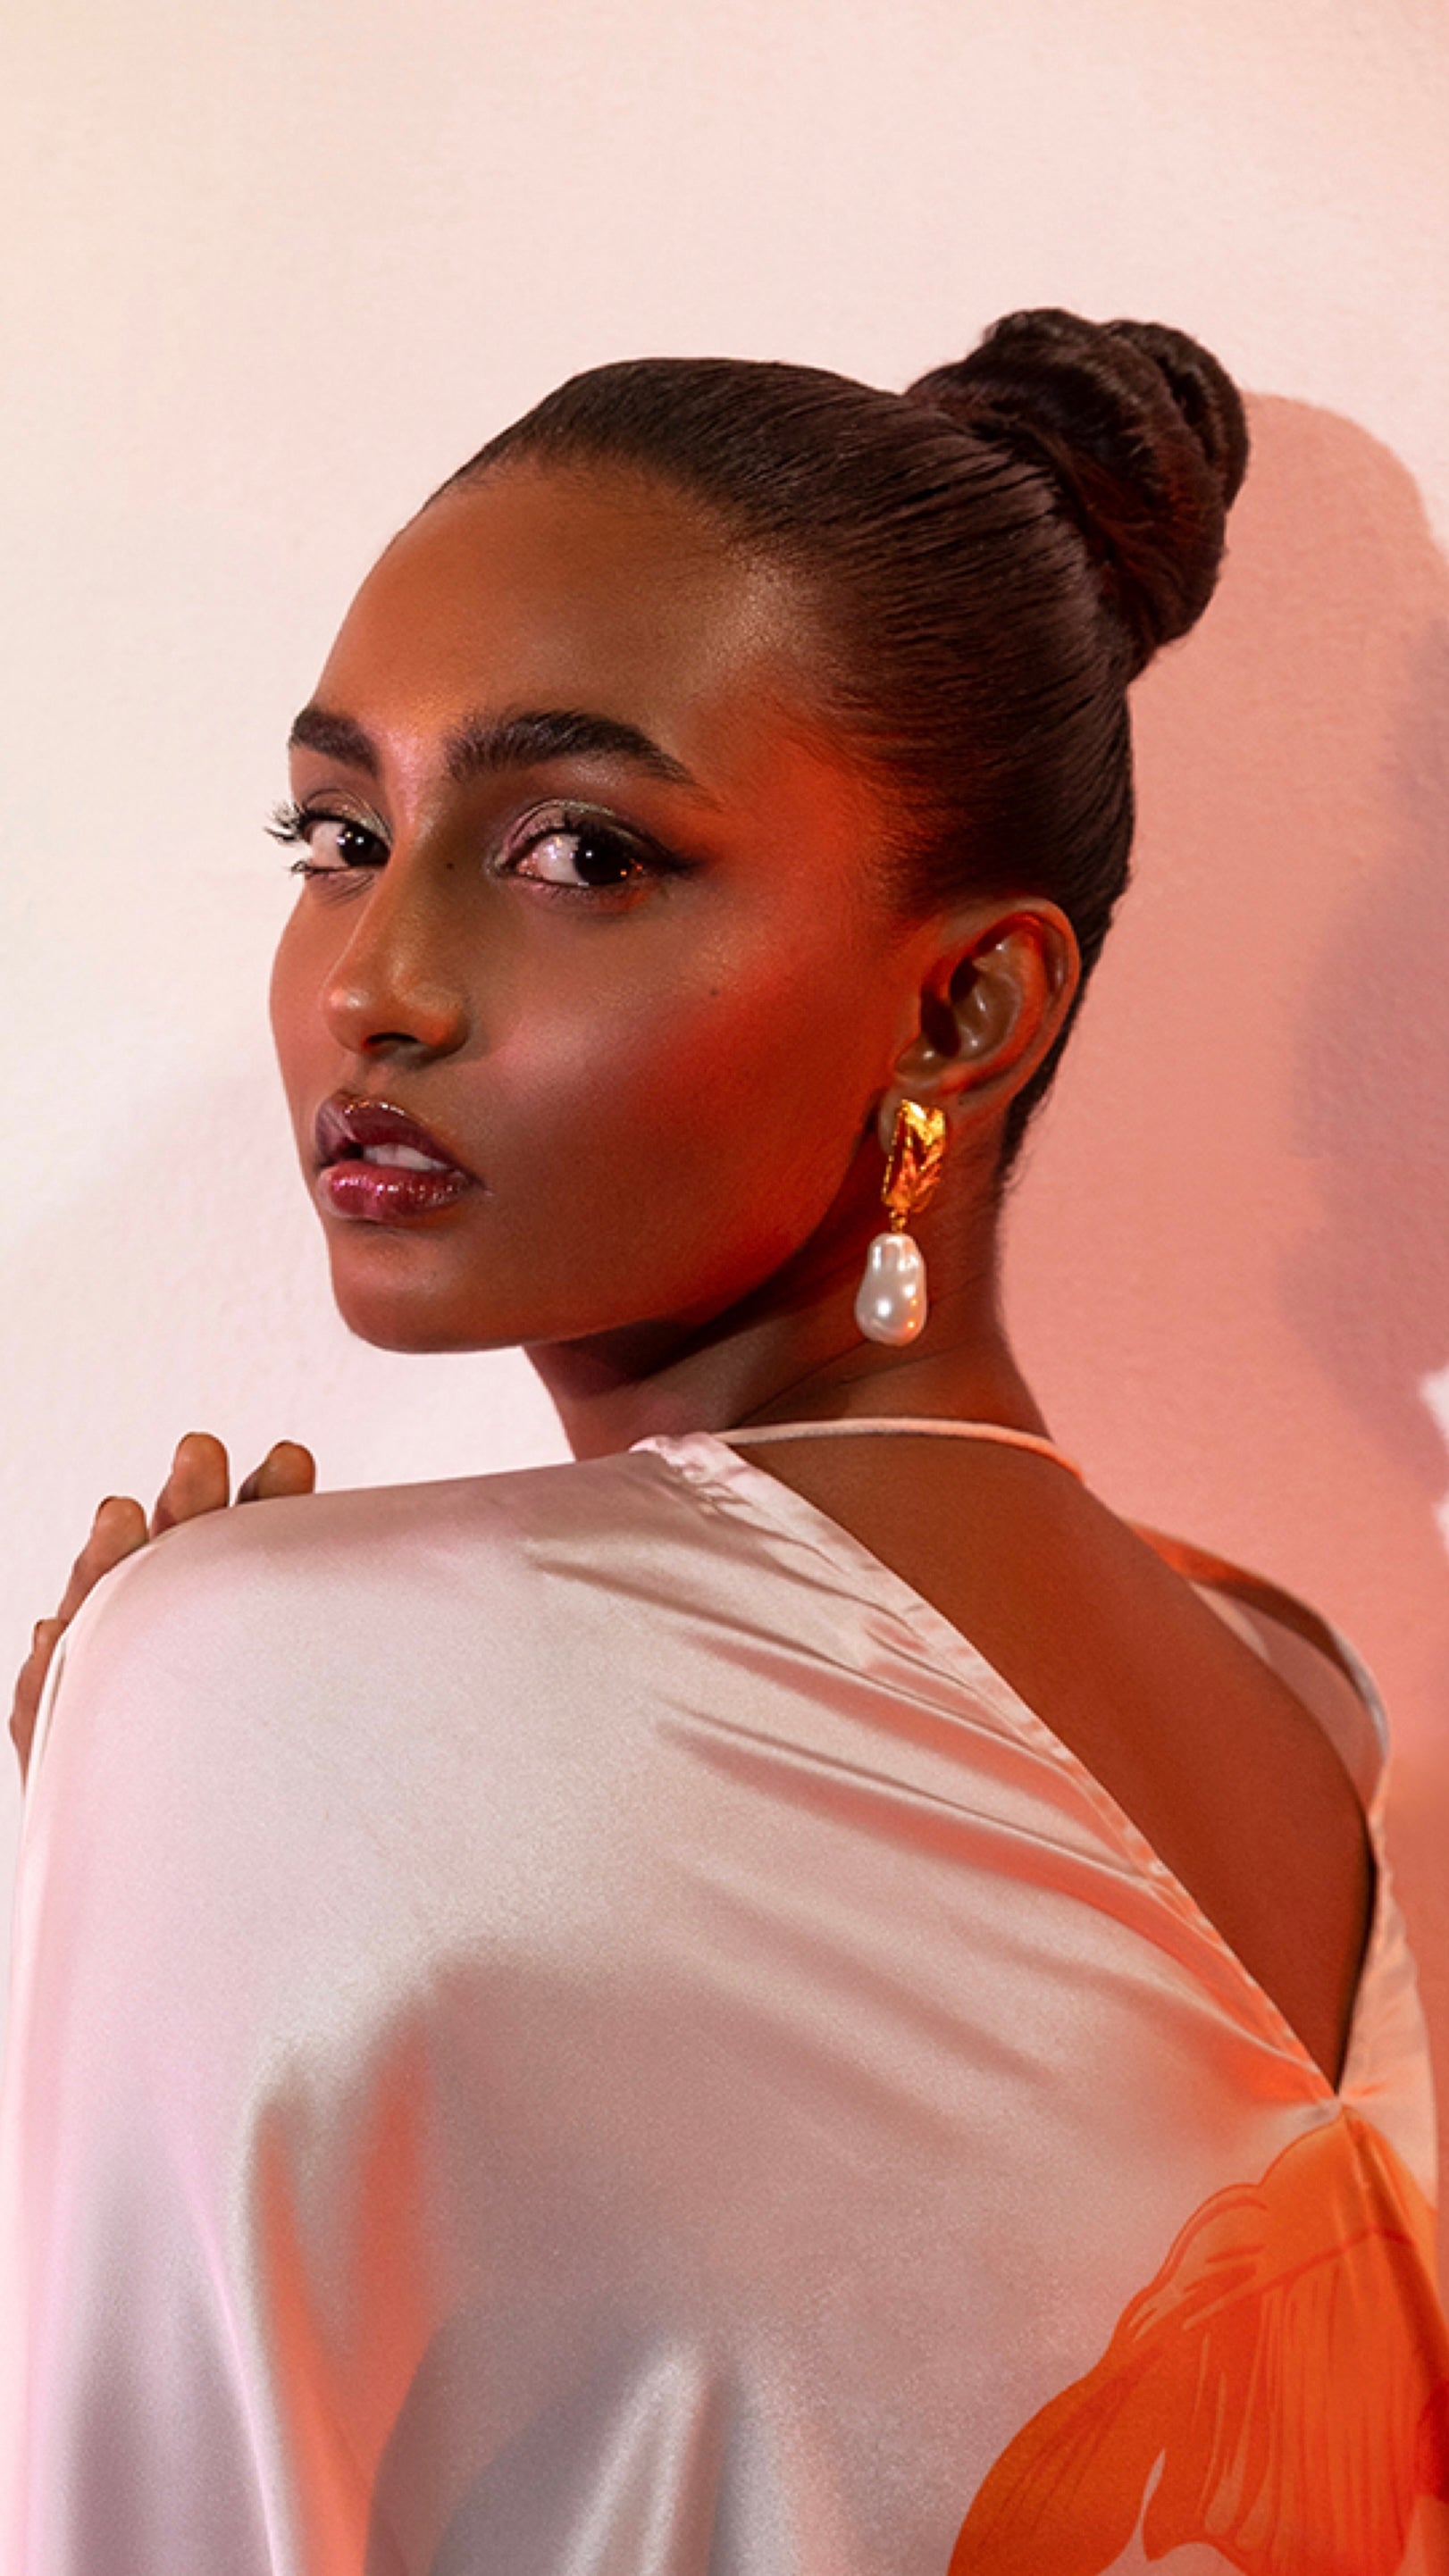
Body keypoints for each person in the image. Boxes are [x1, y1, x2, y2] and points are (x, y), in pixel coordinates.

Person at [3, 308, 1446, 2575]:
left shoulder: (263, 1678)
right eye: (341, 830)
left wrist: (191, 1751)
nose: (377, 979)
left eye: (580, 852)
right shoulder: (1302, 1694)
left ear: (963, 1005)